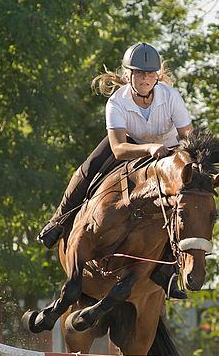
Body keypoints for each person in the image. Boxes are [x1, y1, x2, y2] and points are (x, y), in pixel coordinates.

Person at [37, 42, 194, 299]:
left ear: (157, 76)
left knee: (187, 201)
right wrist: (148, 149)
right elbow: (119, 148)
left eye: (150, 73)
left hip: (168, 153)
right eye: (139, 73)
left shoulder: (170, 96)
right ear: (127, 75)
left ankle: (170, 271)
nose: (145, 78)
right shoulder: (116, 102)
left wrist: (184, 163)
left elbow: (188, 137)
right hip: (129, 146)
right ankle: (59, 220)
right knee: (87, 170)